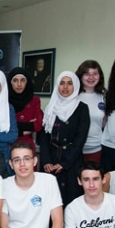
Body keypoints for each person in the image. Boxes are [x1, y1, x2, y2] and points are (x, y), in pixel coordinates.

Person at [39, 71, 90, 205]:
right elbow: (44, 137)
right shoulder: (51, 108)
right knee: (49, 201)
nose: (65, 87)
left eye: (69, 83)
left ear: (75, 86)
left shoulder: (82, 109)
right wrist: (46, 161)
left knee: (71, 199)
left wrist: (65, 163)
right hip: (51, 159)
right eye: (62, 83)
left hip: (71, 161)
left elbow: (80, 139)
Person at [75, 60, 106, 162]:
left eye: (95, 74)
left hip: (96, 149)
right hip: (74, 150)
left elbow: (105, 122)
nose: (91, 77)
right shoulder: (73, 97)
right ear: (80, 76)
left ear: (99, 76)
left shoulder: (104, 97)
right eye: (87, 74)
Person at [6, 67, 43, 151]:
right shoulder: (4, 101)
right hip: (8, 145)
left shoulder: (34, 100)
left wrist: (13, 128)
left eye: (22, 80)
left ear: (27, 82)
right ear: (10, 83)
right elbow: (3, 127)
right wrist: (25, 129)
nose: (19, 84)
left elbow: (38, 125)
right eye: (15, 80)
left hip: (27, 145)